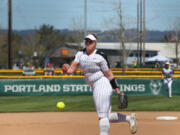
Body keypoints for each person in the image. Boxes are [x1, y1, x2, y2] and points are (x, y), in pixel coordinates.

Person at [62, 33, 137, 135]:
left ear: (95, 43)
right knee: (106, 116)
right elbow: (71, 70)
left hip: (102, 83)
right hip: (94, 86)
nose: (88, 43)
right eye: (86, 41)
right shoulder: (80, 54)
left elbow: (109, 74)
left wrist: (117, 90)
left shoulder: (100, 56)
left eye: (90, 41)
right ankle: (129, 118)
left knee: (102, 116)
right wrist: (66, 70)